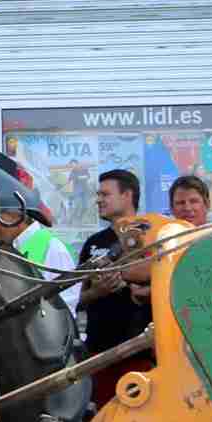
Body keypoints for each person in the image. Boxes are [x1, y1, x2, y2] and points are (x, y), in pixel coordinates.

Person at [77, 171, 154, 403]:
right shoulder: (93, 244)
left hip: (143, 354)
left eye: (105, 194)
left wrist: (140, 290)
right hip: (100, 355)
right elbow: (80, 298)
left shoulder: (154, 236)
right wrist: (98, 291)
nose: (98, 200)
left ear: (127, 195)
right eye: (98, 194)